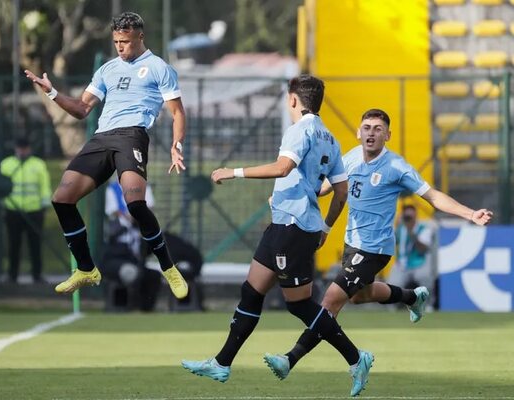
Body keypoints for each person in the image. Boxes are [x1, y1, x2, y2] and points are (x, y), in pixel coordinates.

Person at [181, 75, 374, 397]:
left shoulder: (300, 130)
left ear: (294, 100)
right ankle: (222, 363)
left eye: (288, 97)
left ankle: (357, 359)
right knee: (251, 292)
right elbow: (340, 191)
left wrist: (234, 172)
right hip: (286, 225)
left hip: (294, 229)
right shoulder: (330, 137)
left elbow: (283, 167)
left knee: (300, 306)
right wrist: (325, 226)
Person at [264, 108, 493, 378]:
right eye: (367, 128)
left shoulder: (396, 167)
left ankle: (290, 360)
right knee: (361, 296)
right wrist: (287, 196)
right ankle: (412, 296)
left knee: (330, 301)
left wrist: (470, 214)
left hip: (376, 248)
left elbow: (432, 196)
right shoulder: (349, 159)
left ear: (387, 135)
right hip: (353, 244)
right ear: (359, 133)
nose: (371, 133)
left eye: (377, 129)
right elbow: (323, 188)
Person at [23, 12, 188, 298]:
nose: (120, 47)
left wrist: (177, 145)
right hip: (101, 138)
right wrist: (52, 93)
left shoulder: (159, 68)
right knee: (61, 199)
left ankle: (168, 267)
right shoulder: (108, 69)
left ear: (139, 37)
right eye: (115, 42)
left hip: (131, 136)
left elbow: (177, 112)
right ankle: (86, 269)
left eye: (124, 41)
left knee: (135, 204)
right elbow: (81, 109)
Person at [103, 180, 204, 311]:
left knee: (152, 276)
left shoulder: (146, 232)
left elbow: (148, 209)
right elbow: (114, 211)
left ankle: (145, 309)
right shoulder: (117, 233)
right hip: (120, 259)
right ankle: (128, 306)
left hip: (139, 260)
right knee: (133, 273)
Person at [0, 137, 51, 283]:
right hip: (12, 210)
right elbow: (1, 187)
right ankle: (12, 275)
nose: (22, 151)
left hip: (34, 210)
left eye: (25, 148)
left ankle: (37, 274)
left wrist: (44, 207)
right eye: (20, 148)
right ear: (15, 148)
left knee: (35, 244)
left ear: (29, 149)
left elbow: (44, 186)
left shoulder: (38, 165)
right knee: (13, 245)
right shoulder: (6, 164)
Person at [387, 204, 436, 296]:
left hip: (419, 262)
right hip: (402, 263)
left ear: (415, 216)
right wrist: (395, 226)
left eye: (410, 217)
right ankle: (393, 307)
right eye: (406, 216)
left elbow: (422, 249)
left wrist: (411, 232)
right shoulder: (400, 228)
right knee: (392, 284)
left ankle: (428, 304)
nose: (408, 219)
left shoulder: (424, 228)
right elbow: (390, 242)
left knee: (424, 278)